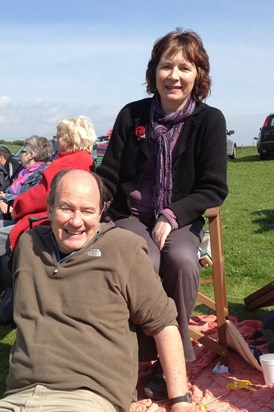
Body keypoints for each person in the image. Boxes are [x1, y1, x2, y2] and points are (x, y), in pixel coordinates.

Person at [96, 28, 228, 399]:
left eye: (185, 67)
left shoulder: (210, 121)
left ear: (198, 75)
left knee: (184, 261)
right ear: (154, 71)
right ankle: (145, 355)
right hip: (130, 216)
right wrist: (89, 200)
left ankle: (175, 360)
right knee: (145, 261)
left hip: (180, 219)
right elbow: (108, 176)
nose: (174, 75)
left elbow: (214, 187)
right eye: (166, 66)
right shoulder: (131, 115)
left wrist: (172, 216)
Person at [0, 169, 196, 412]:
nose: (76, 221)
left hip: (86, 398)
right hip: (17, 396)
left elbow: (164, 324)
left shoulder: (123, 249)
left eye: (87, 210)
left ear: (101, 211)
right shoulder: (29, 246)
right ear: (49, 208)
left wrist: (181, 402)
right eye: (66, 208)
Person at [0, 114, 96, 256]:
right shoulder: (87, 160)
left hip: (44, 223)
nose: (56, 141)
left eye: (58, 136)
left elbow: (39, 197)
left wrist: (15, 207)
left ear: (67, 140)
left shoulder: (64, 164)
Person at [0, 135, 53, 215]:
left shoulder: (42, 174)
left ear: (31, 155)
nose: (20, 155)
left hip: (20, 215)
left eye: (22, 152)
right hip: (9, 209)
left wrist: (5, 197)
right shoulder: (23, 171)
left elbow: (29, 200)